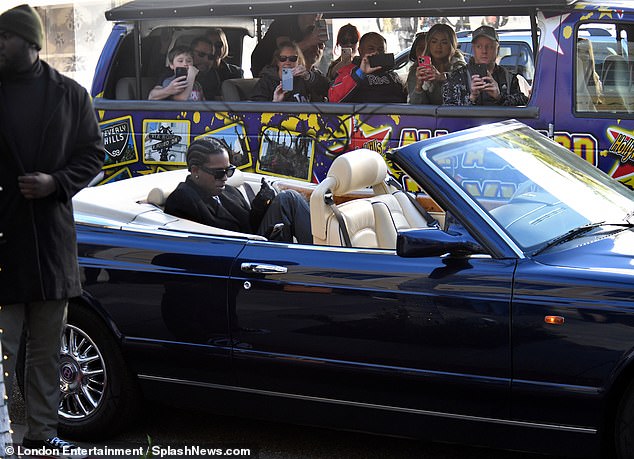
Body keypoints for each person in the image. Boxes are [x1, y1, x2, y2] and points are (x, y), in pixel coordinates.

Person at [0, 4, 104, 456]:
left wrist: (55, 183)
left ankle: (42, 435)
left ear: (30, 43)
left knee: (45, 349)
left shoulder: (70, 94)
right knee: (1, 351)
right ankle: (3, 434)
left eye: (4, 38)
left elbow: (92, 154)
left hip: (49, 241)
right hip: (2, 237)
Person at [164, 138, 312, 243]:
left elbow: (249, 225)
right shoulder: (182, 199)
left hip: (254, 244)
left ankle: (323, 250)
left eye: (228, 171)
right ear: (195, 170)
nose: (224, 178)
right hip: (235, 259)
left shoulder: (227, 191)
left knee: (289, 197)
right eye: (218, 173)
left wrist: (262, 203)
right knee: (288, 198)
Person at [443, 25, 528, 106]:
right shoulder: (457, 76)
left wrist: (499, 97)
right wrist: (471, 98)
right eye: (479, 46)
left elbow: (523, 103)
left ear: (497, 49)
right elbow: (448, 109)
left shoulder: (509, 78)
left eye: (489, 46)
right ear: (473, 49)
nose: (484, 51)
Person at [329, 32, 406, 103]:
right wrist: (360, 73)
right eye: (371, 49)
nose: (376, 53)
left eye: (380, 49)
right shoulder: (349, 71)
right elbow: (334, 98)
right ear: (360, 51)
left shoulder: (392, 75)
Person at [249, 41, 329, 102]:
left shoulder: (304, 79)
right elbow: (255, 111)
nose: (287, 62)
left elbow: (328, 89)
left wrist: (308, 76)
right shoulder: (266, 82)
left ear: (299, 60)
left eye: (292, 58)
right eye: (283, 58)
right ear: (277, 61)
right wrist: (275, 103)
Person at [407, 24, 466, 105]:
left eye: (444, 42)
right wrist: (418, 86)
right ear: (429, 44)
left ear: (452, 45)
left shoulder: (461, 68)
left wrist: (444, 78)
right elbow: (415, 107)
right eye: (434, 42)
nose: (438, 46)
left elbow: (464, 98)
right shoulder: (418, 70)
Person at [251, 13, 324, 77]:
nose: (317, 14)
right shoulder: (284, 23)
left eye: (320, 11)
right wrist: (309, 41)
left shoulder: (313, 75)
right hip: (264, 66)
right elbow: (285, 51)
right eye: (312, 10)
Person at [191, 30, 243, 100]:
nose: (214, 48)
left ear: (224, 45)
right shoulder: (194, 72)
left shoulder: (236, 72)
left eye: (218, 44)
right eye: (210, 44)